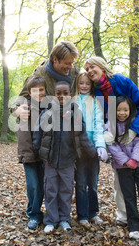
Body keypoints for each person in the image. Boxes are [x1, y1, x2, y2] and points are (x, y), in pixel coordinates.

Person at [84, 56, 139, 240]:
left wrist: (134, 131)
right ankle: (124, 216)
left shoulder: (121, 81)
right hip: (115, 138)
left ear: (102, 66)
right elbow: (101, 117)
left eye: (92, 66)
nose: (89, 71)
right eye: (86, 69)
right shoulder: (96, 92)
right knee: (120, 176)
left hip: (138, 134)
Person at [33, 81, 97, 233]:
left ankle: (64, 219)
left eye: (65, 93)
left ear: (70, 95)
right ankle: (51, 220)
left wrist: (93, 152)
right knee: (51, 191)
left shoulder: (75, 113)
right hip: (50, 161)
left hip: (68, 161)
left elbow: (82, 136)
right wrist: (37, 151)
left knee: (66, 191)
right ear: (54, 95)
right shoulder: (46, 113)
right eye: (58, 93)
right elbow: (38, 134)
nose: (62, 96)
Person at [105, 96, 139, 240]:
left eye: (125, 110)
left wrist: (135, 159)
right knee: (129, 196)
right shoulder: (110, 126)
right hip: (122, 167)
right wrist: (126, 160)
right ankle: (133, 226)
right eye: (119, 110)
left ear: (130, 110)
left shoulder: (135, 123)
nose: (122, 113)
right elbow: (112, 146)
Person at [11, 41, 80, 122]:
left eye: (72, 63)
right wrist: (17, 110)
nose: (71, 67)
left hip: (69, 117)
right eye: (67, 63)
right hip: (46, 121)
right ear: (55, 59)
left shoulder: (76, 73)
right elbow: (20, 100)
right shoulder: (39, 75)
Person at [73, 71, 108, 226]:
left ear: (91, 85)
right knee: (80, 183)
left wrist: (100, 145)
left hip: (93, 149)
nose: (84, 86)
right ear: (77, 84)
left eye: (87, 83)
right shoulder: (72, 101)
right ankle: (82, 215)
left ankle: (93, 212)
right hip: (78, 150)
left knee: (92, 183)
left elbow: (98, 124)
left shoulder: (95, 101)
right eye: (81, 83)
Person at [15, 76, 47, 229]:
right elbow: (14, 110)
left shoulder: (48, 108)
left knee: (41, 185)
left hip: (43, 154)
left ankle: (35, 210)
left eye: (42, 90)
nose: (39, 93)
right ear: (29, 92)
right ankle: (33, 214)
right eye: (35, 90)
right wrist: (17, 111)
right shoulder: (23, 106)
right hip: (28, 153)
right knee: (32, 185)